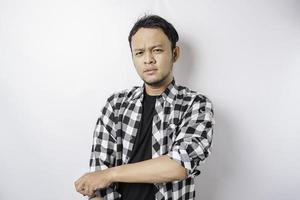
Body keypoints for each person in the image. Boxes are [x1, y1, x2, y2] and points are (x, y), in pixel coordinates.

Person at [74, 14, 215, 200]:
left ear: (175, 53)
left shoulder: (196, 105)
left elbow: (179, 165)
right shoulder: (115, 105)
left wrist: (109, 175)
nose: (148, 59)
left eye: (156, 50)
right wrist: (98, 183)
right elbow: (97, 178)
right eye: (139, 53)